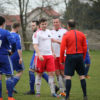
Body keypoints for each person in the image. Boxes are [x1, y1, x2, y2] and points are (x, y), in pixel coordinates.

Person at [60, 19, 88, 100]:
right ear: (75, 26)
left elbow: (62, 48)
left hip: (70, 56)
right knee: (82, 76)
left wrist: (62, 60)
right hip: (79, 56)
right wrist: (83, 57)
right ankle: (85, 96)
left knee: (68, 76)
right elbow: (85, 47)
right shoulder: (82, 34)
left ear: (68, 26)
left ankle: (67, 97)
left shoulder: (66, 35)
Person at [33, 18, 60, 97]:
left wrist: (53, 52)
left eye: (45, 24)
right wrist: (39, 54)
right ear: (39, 25)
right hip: (40, 57)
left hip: (49, 56)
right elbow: (35, 45)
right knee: (39, 74)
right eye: (42, 24)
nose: (44, 25)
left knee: (51, 74)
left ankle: (53, 93)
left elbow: (50, 42)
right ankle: (38, 92)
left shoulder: (49, 32)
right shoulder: (36, 33)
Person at [25, 20, 49, 95]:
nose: (32, 27)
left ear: (38, 25)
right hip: (39, 54)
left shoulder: (37, 33)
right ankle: (54, 87)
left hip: (37, 55)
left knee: (31, 71)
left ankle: (32, 90)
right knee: (40, 72)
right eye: (31, 25)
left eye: (33, 25)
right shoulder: (38, 33)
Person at [0, 16, 16, 100]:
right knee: (9, 75)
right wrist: (12, 51)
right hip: (4, 56)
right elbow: (13, 42)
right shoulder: (6, 32)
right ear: (3, 23)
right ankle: (10, 97)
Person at [51, 17, 67, 95]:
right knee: (57, 73)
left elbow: (65, 44)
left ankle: (67, 89)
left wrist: (56, 41)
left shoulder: (64, 31)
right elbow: (49, 43)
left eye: (56, 22)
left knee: (63, 73)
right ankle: (62, 91)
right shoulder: (50, 32)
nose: (55, 24)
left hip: (62, 55)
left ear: (59, 22)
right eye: (54, 22)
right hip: (54, 56)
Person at [10, 22, 24, 93]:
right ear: (17, 27)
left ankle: (12, 87)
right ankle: (11, 87)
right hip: (15, 55)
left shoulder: (7, 34)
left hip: (8, 55)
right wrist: (20, 57)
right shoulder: (17, 35)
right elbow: (18, 47)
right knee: (20, 71)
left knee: (10, 72)